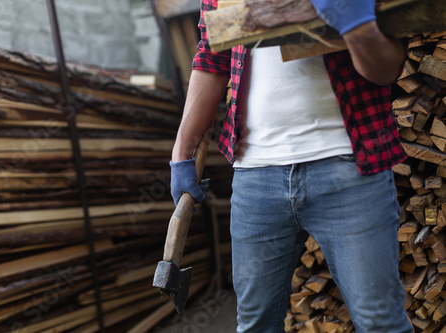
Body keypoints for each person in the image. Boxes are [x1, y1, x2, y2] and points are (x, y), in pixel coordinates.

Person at [169, 0, 414, 332]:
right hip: (255, 175)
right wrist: (181, 154)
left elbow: (385, 71)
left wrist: (356, 25)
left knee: (380, 322)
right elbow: (212, 57)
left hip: (350, 168)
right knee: (255, 325)